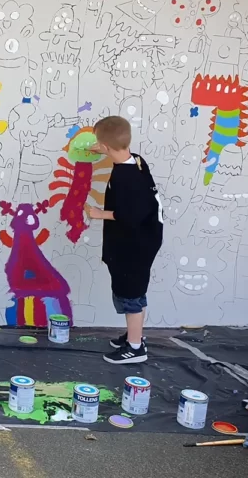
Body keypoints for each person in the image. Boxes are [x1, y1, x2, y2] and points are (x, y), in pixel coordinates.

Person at [87, 116, 163, 364]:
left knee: (130, 295)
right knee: (134, 291)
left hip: (133, 245)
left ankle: (135, 347)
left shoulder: (124, 178)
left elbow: (131, 215)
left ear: (107, 147)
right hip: (143, 240)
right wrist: (105, 146)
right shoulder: (136, 162)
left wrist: (99, 214)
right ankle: (135, 335)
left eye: (100, 144)